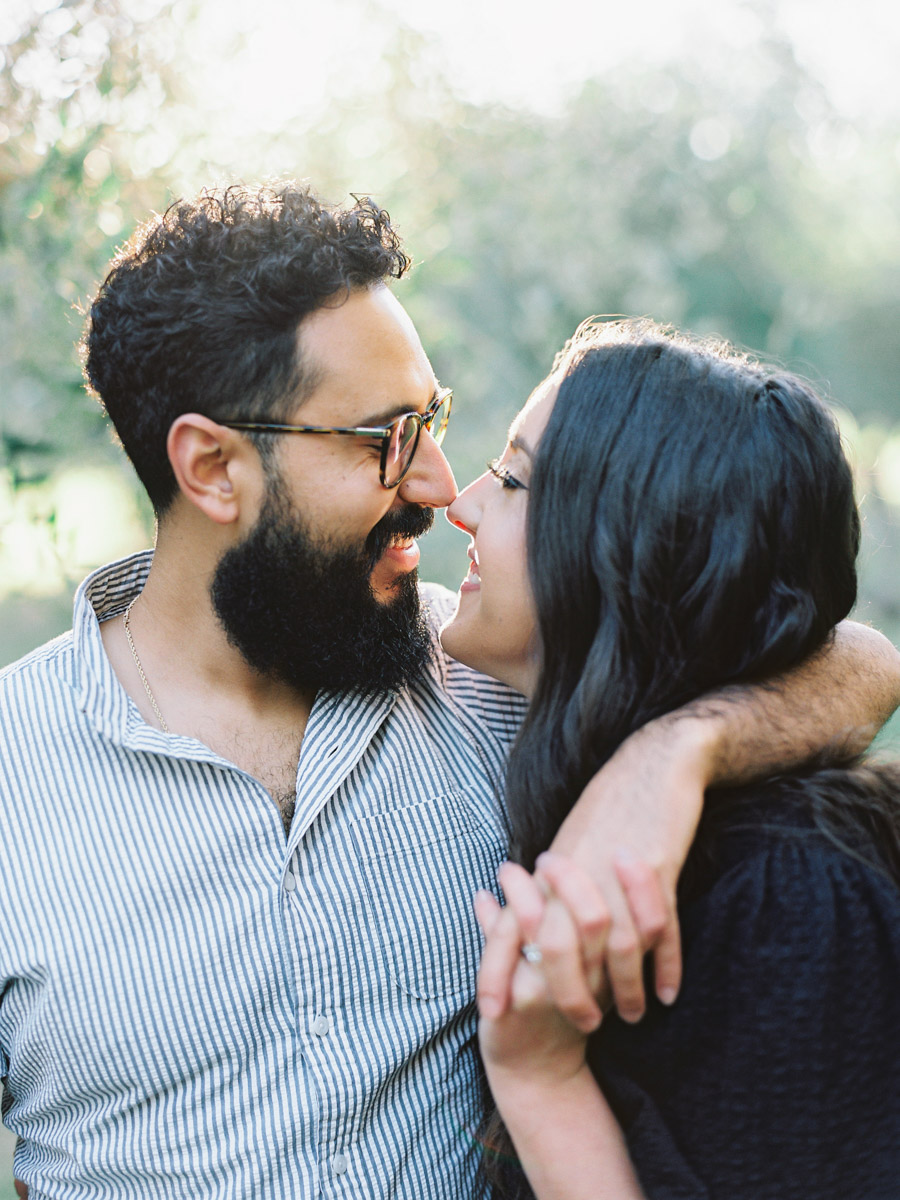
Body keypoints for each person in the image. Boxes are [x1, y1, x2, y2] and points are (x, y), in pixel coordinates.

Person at [0, 188, 897, 1200]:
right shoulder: (9, 777)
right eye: (386, 439)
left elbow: (845, 658)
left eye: (434, 421)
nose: (436, 483)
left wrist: (674, 755)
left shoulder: (489, 673)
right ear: (213, 467)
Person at [441, 317, 900, 1199]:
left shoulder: (791, 899)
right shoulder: (491, 710)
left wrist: (541, 1079)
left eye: (512, 478)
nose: (461, 502)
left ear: (625, 551)